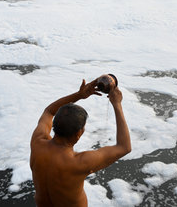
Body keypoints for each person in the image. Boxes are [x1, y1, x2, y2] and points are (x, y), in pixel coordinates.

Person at [30, 78, 131, 207]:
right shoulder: (79, 162)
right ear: (78, 134)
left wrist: (79, 95)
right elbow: (124, 147)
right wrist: (117, 104)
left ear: (54, 124)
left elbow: (49, 111)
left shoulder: (37, 142)